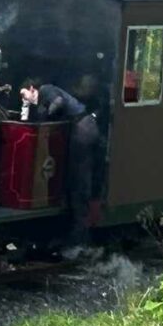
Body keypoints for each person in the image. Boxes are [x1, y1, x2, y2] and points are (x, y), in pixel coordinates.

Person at [19, 79, 101, 248]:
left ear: (32, 89)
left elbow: (58, 102)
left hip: (82, 129)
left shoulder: (46, 89)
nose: (24, 99)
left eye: (24, 94)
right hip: (79, 128)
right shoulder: (40, 102)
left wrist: (46, 117)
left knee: (79, 180)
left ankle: (80, 238)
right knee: (73, 178)